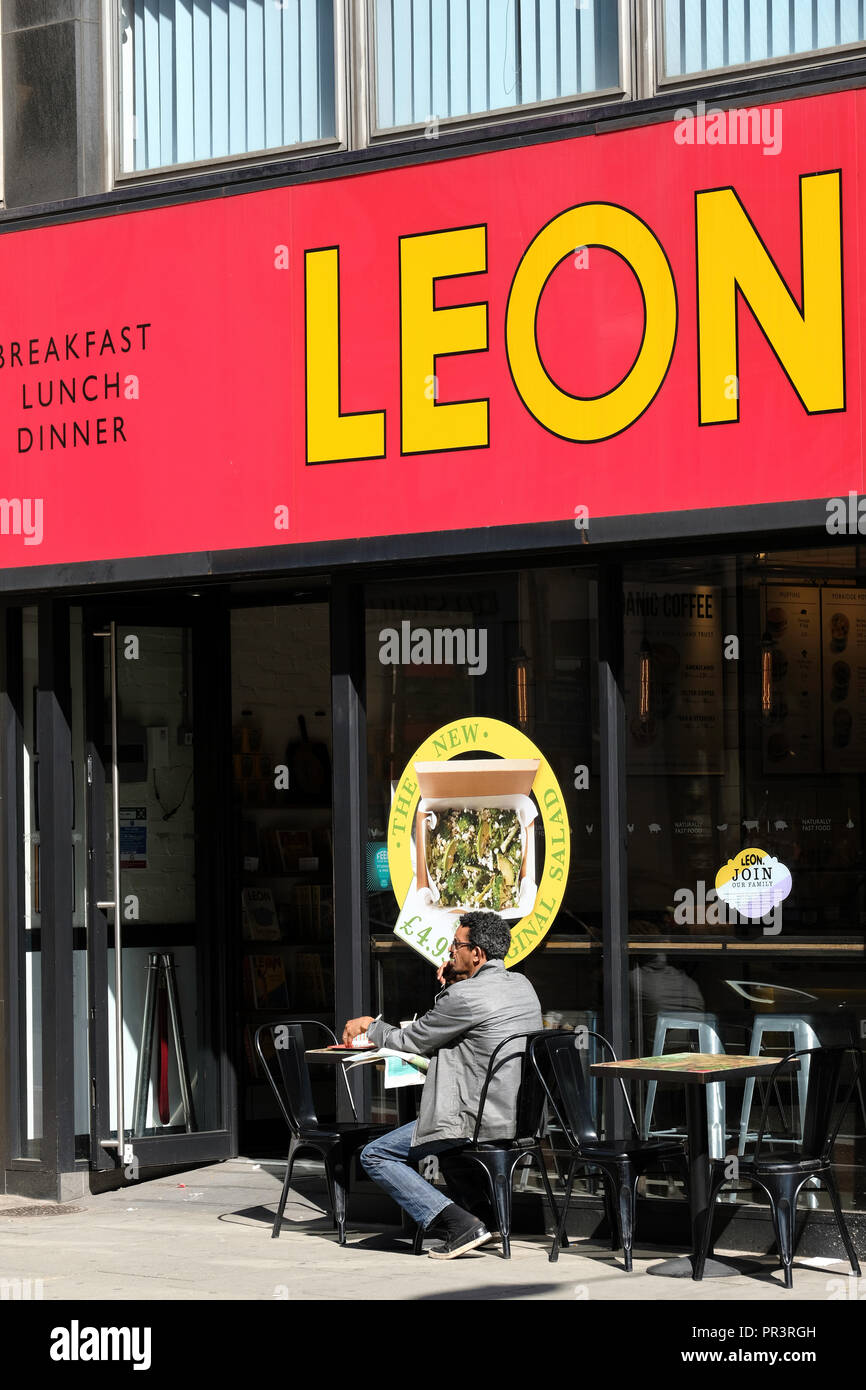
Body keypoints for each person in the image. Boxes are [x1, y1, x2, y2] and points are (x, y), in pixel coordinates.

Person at [342, 910, 542, 1258]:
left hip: (474, 1119)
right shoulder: (522, 985)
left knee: (375, 1154)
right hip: (514, 1116)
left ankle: (457, 1224)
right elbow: (453, 1022)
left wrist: (369, 1027)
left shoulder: (465, 996)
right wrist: (454, 983)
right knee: (447, 1152)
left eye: (456, 946)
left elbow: (413, 1040)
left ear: (476, 953)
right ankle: (486, 1221)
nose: (450, 952)